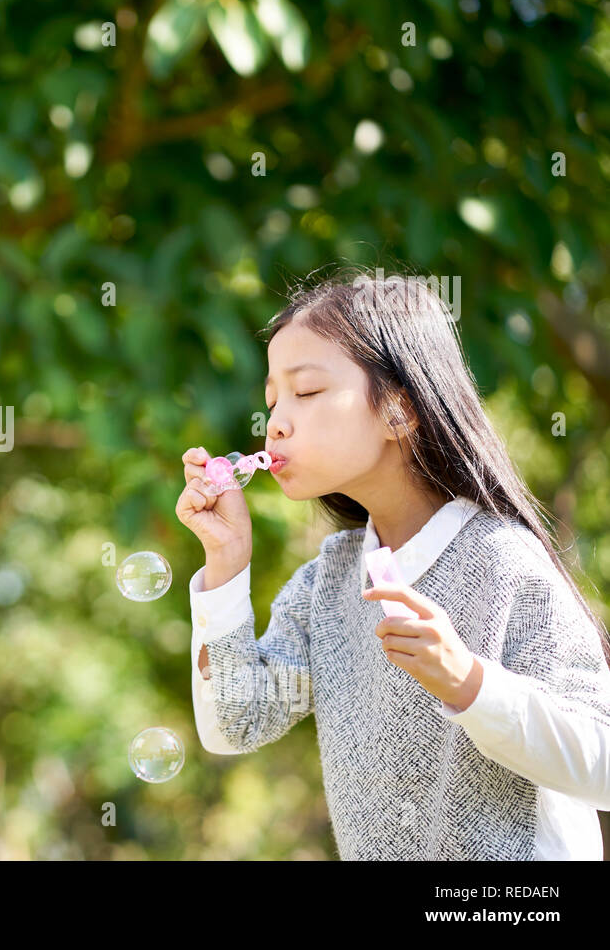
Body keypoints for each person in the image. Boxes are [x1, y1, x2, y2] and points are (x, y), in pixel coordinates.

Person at [176, 268, 610, 859]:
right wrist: (226, 560)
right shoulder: (327, 584)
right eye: (272, 399)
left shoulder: (502, 561)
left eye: (305, 392)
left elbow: (602, 760)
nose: (274, 421)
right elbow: (236, 722)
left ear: (399, 412)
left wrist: (468, 683)